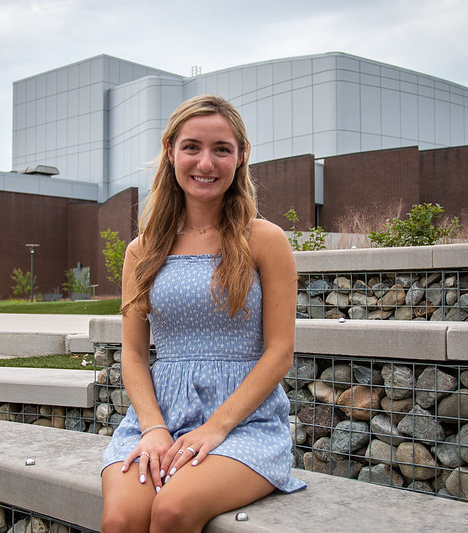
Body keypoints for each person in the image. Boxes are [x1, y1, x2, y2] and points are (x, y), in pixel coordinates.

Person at [100, 94, 305, 533]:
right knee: (121, 519)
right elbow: (134, 355)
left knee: (173, 510)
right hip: (158, 419)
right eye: (192, 147)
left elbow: (280, 352)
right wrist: (153, 428)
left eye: (221, 149)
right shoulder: (142, 251)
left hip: (241, 425)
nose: (205, 163)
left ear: (241, 156)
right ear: (170, 150)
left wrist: (215, 428)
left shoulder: (265, 240)